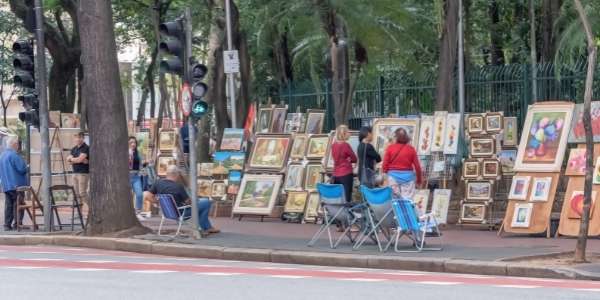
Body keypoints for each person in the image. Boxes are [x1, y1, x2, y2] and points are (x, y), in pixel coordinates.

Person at [143, 166, 219, 235]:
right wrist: (195, 200)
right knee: (206, 202)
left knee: (202, 205)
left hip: (167, 212)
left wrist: (158, 203)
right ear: (177, 175)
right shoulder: (178, 186)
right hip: (181, 213)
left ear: (167, 174)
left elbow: (147, 195)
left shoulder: (158, 183)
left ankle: (207, 227)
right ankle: (206, 227)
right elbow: (189, 202)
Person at [382, 128, 423, 200]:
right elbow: (417, 167)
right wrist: (419, 180)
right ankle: (406, 211)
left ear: (396, 137)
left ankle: (397, 211)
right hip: (408, 178)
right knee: (407, 200)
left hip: (393, 177)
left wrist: (385, 173)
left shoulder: (390, 148)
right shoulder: (411, 149)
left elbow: (385, 164)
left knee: (394, 200)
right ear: (406, 138)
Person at [0, 136, 28, 231]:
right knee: (18, 204)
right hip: (17, 185)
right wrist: (27, 166)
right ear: (13, 144)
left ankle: (7, 225)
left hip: (6, 185)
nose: (18, 146)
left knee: (9, 205)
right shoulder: (14, 155)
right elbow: (22, 169)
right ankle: (17, 224)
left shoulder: (2, 156)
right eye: (17, 144)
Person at [331, 125, 357, 202]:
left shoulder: (333, 145)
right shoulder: (346, 145)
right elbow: (354, 158)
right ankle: (346, 213)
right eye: (348, 132)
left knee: (338, 197)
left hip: (336, 173)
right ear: (345, 134)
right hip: (346, 173)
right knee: (347, 197)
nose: (349, 134)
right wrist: (348, 160)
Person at [67, 132, 90, 207]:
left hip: (83, 173)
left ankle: (93, 208)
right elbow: (68, 160)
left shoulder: (86, 148)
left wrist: (72, 159)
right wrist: (75, 160)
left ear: (83, 138)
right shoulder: (74, 149)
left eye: (80, 137)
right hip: (75, 173)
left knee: (82, 193)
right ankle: (79, 214)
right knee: (76, 194)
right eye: (76, 137)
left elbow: (79, 160)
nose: (78, 139)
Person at [128, 137, 145, 219]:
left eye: (134, 142)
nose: (133, 144)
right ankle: (128, 213)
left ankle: (138, 212)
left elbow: (141, 165)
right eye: (131, 142)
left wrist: (142, 171)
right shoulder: (125, 152)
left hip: (136, 176)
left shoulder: (138, 153)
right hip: (127, 176)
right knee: (128, 195)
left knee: (139, 194)